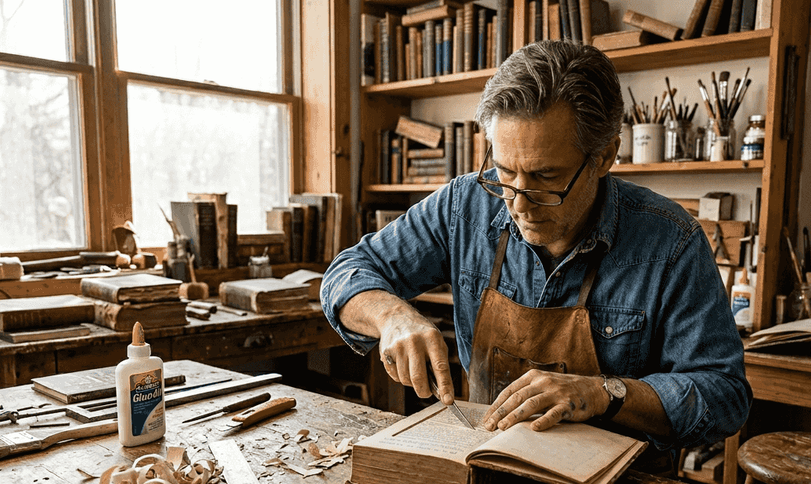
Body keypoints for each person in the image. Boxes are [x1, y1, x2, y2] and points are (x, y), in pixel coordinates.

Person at [320, 40, 751, 456]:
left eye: (546, 177)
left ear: (604, 156)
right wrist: (391, 315)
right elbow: (347, 272)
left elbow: (725, 396)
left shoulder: (672, 242)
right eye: (505, 172)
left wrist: (606, 393)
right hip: (487, 462)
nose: (519, 204)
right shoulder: (464, 206)